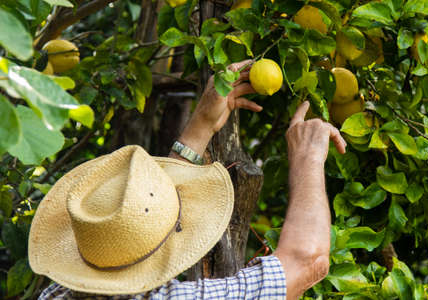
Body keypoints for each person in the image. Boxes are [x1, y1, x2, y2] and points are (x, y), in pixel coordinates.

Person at [29, 60, 346, 300]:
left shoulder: (59, 293)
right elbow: (307, 261)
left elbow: (141, 209)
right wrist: (307, 157)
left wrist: (201, 126)